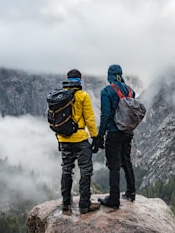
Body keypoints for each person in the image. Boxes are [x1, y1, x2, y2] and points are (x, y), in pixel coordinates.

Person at [57, 69, 101, 215]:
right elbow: (89, 119)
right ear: (80, 80)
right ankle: (84, 205)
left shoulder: (59, 97)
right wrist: (95, 137)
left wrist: (59, 138)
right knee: (85, 170)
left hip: (63, 139)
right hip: (80, 139)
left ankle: (65, 204)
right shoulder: (82, 96)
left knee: (66, 170)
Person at [96, 64, 136, 209]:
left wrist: (100, 135)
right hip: (127, 132)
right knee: (127, 161)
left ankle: (114, 199)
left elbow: (106, 114)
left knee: (114, 166)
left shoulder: (107, 91)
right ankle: (131, 192)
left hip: (114, 132)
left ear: (110, 75)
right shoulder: (131, 91)